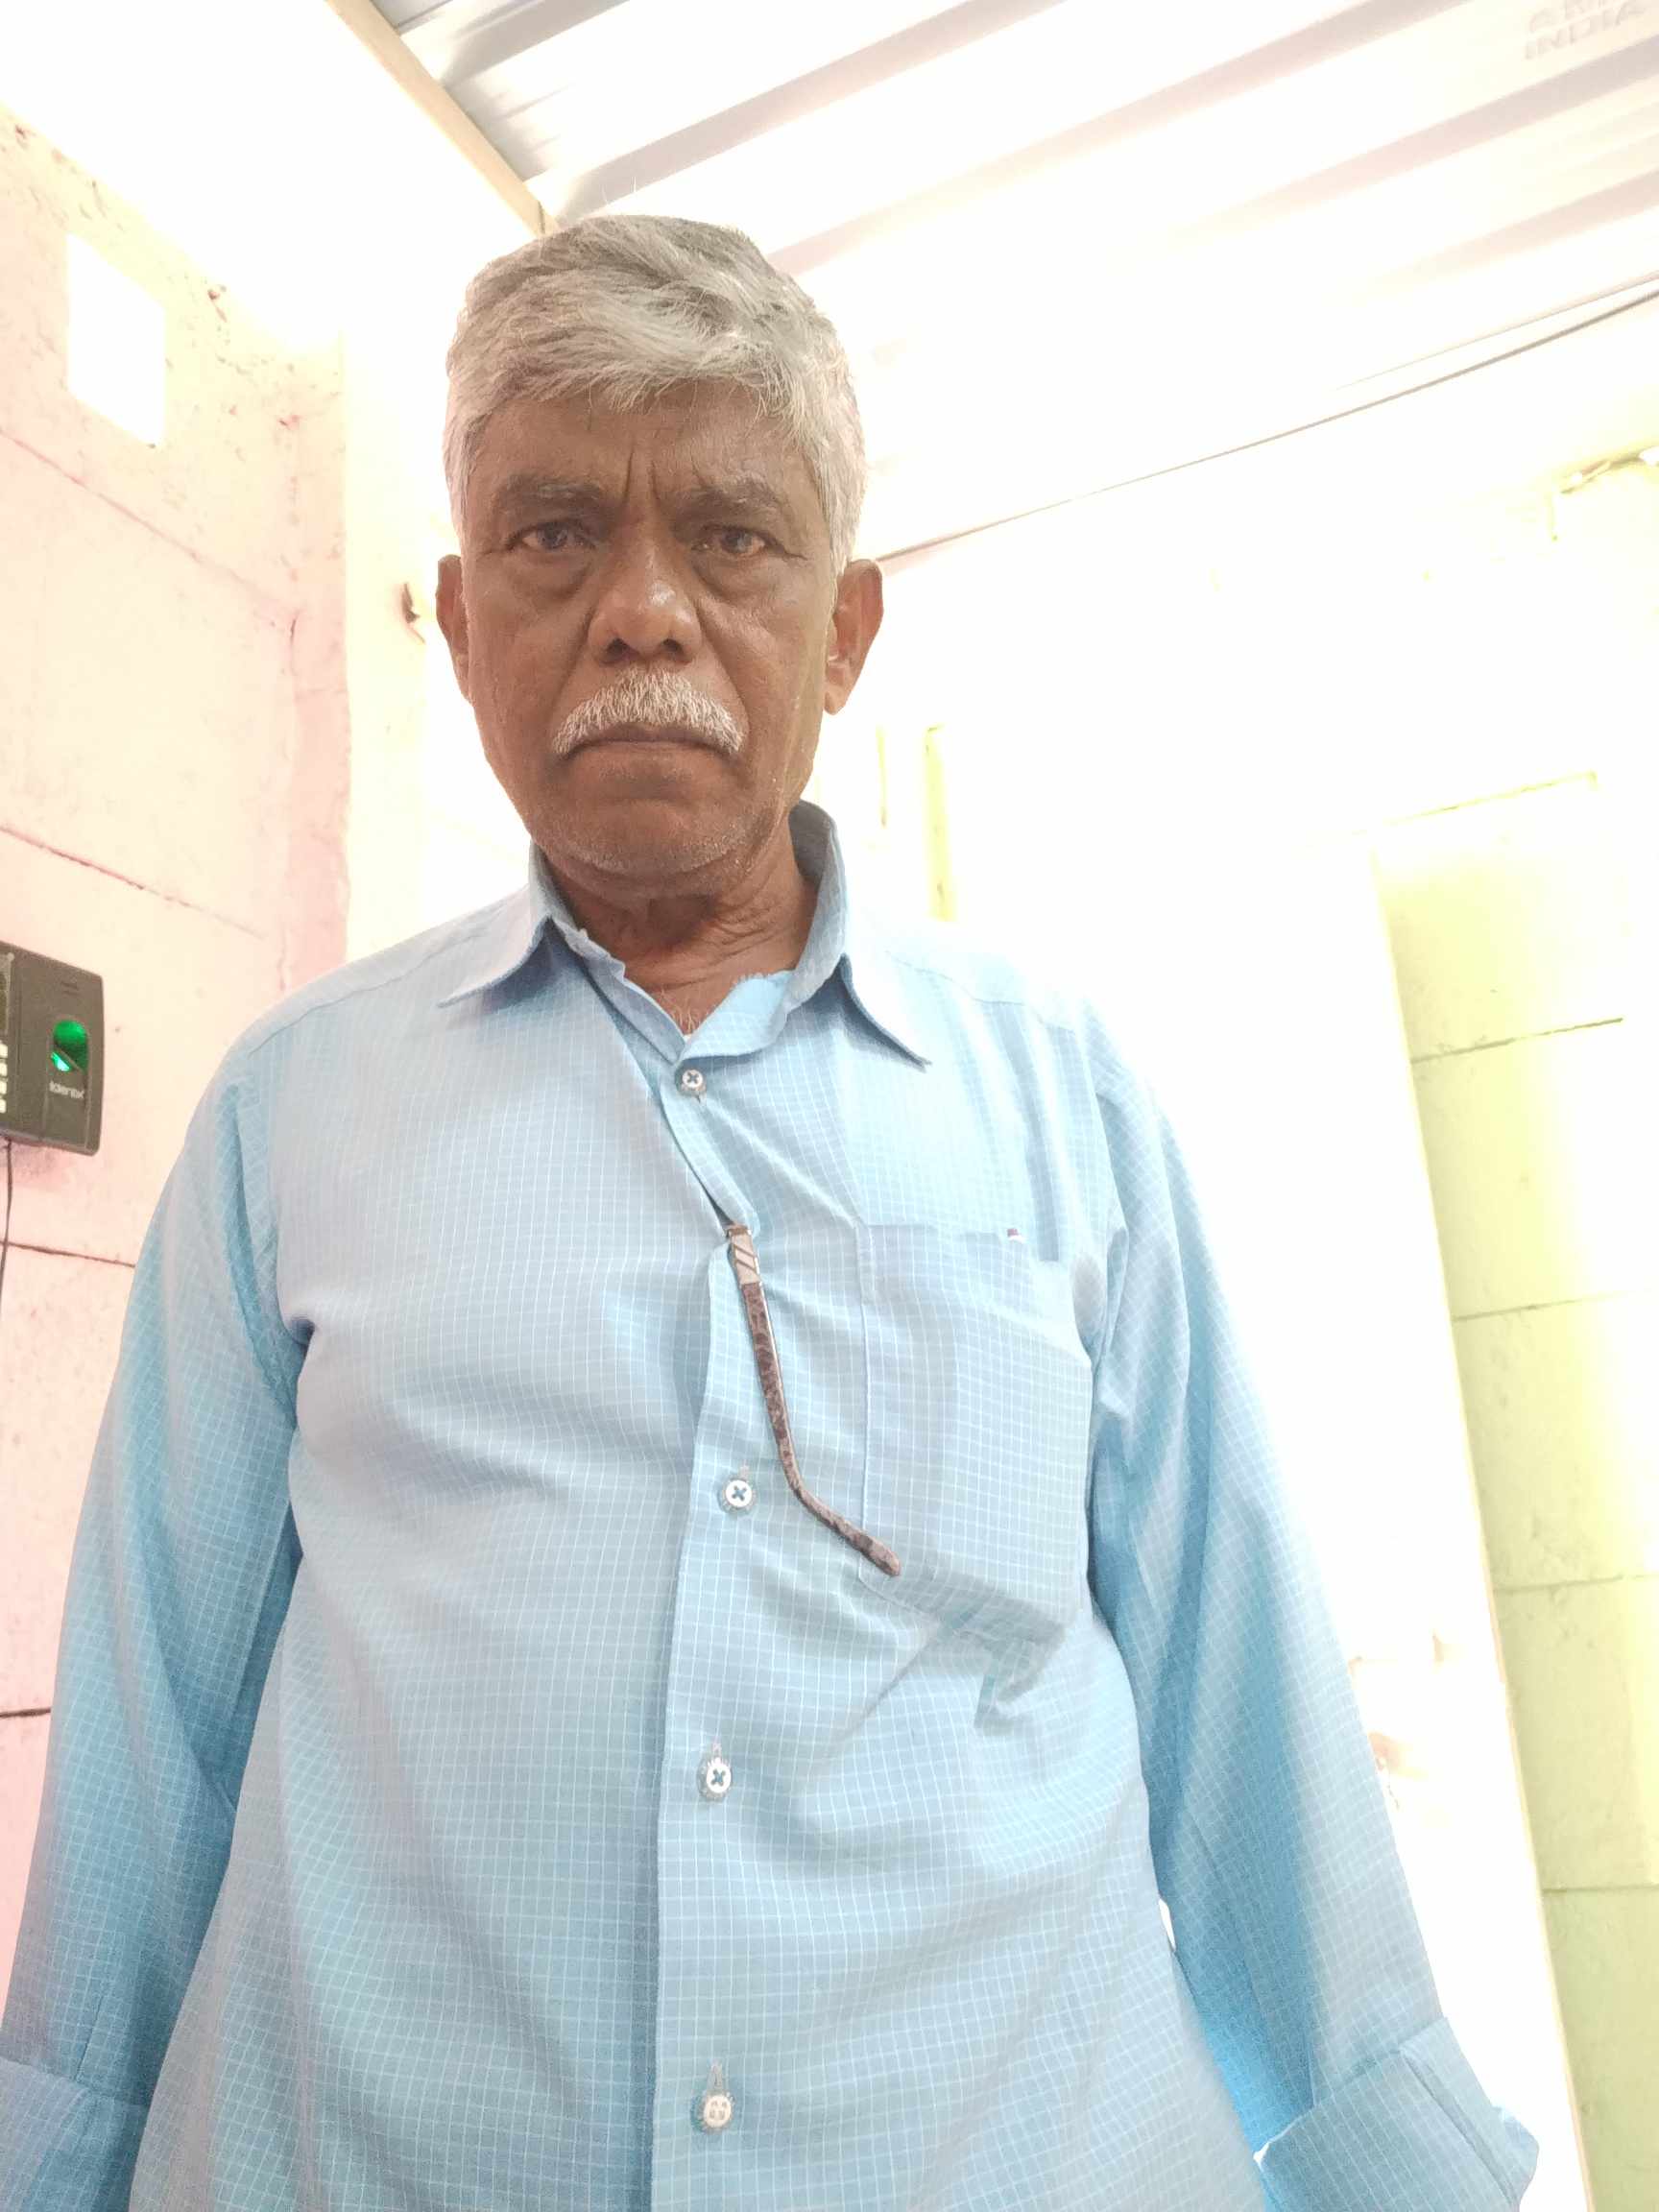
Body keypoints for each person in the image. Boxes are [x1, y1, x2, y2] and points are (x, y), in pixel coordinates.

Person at [0, 214, 1536, 2211]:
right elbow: (153, 1740)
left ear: (843, 631)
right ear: (458, 622)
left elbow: (1234, 1684)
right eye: (556, 533)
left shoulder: (1059, 1100)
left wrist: (1389, 2168)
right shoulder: (292, 1114)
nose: (643, 612)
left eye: (731, 537)